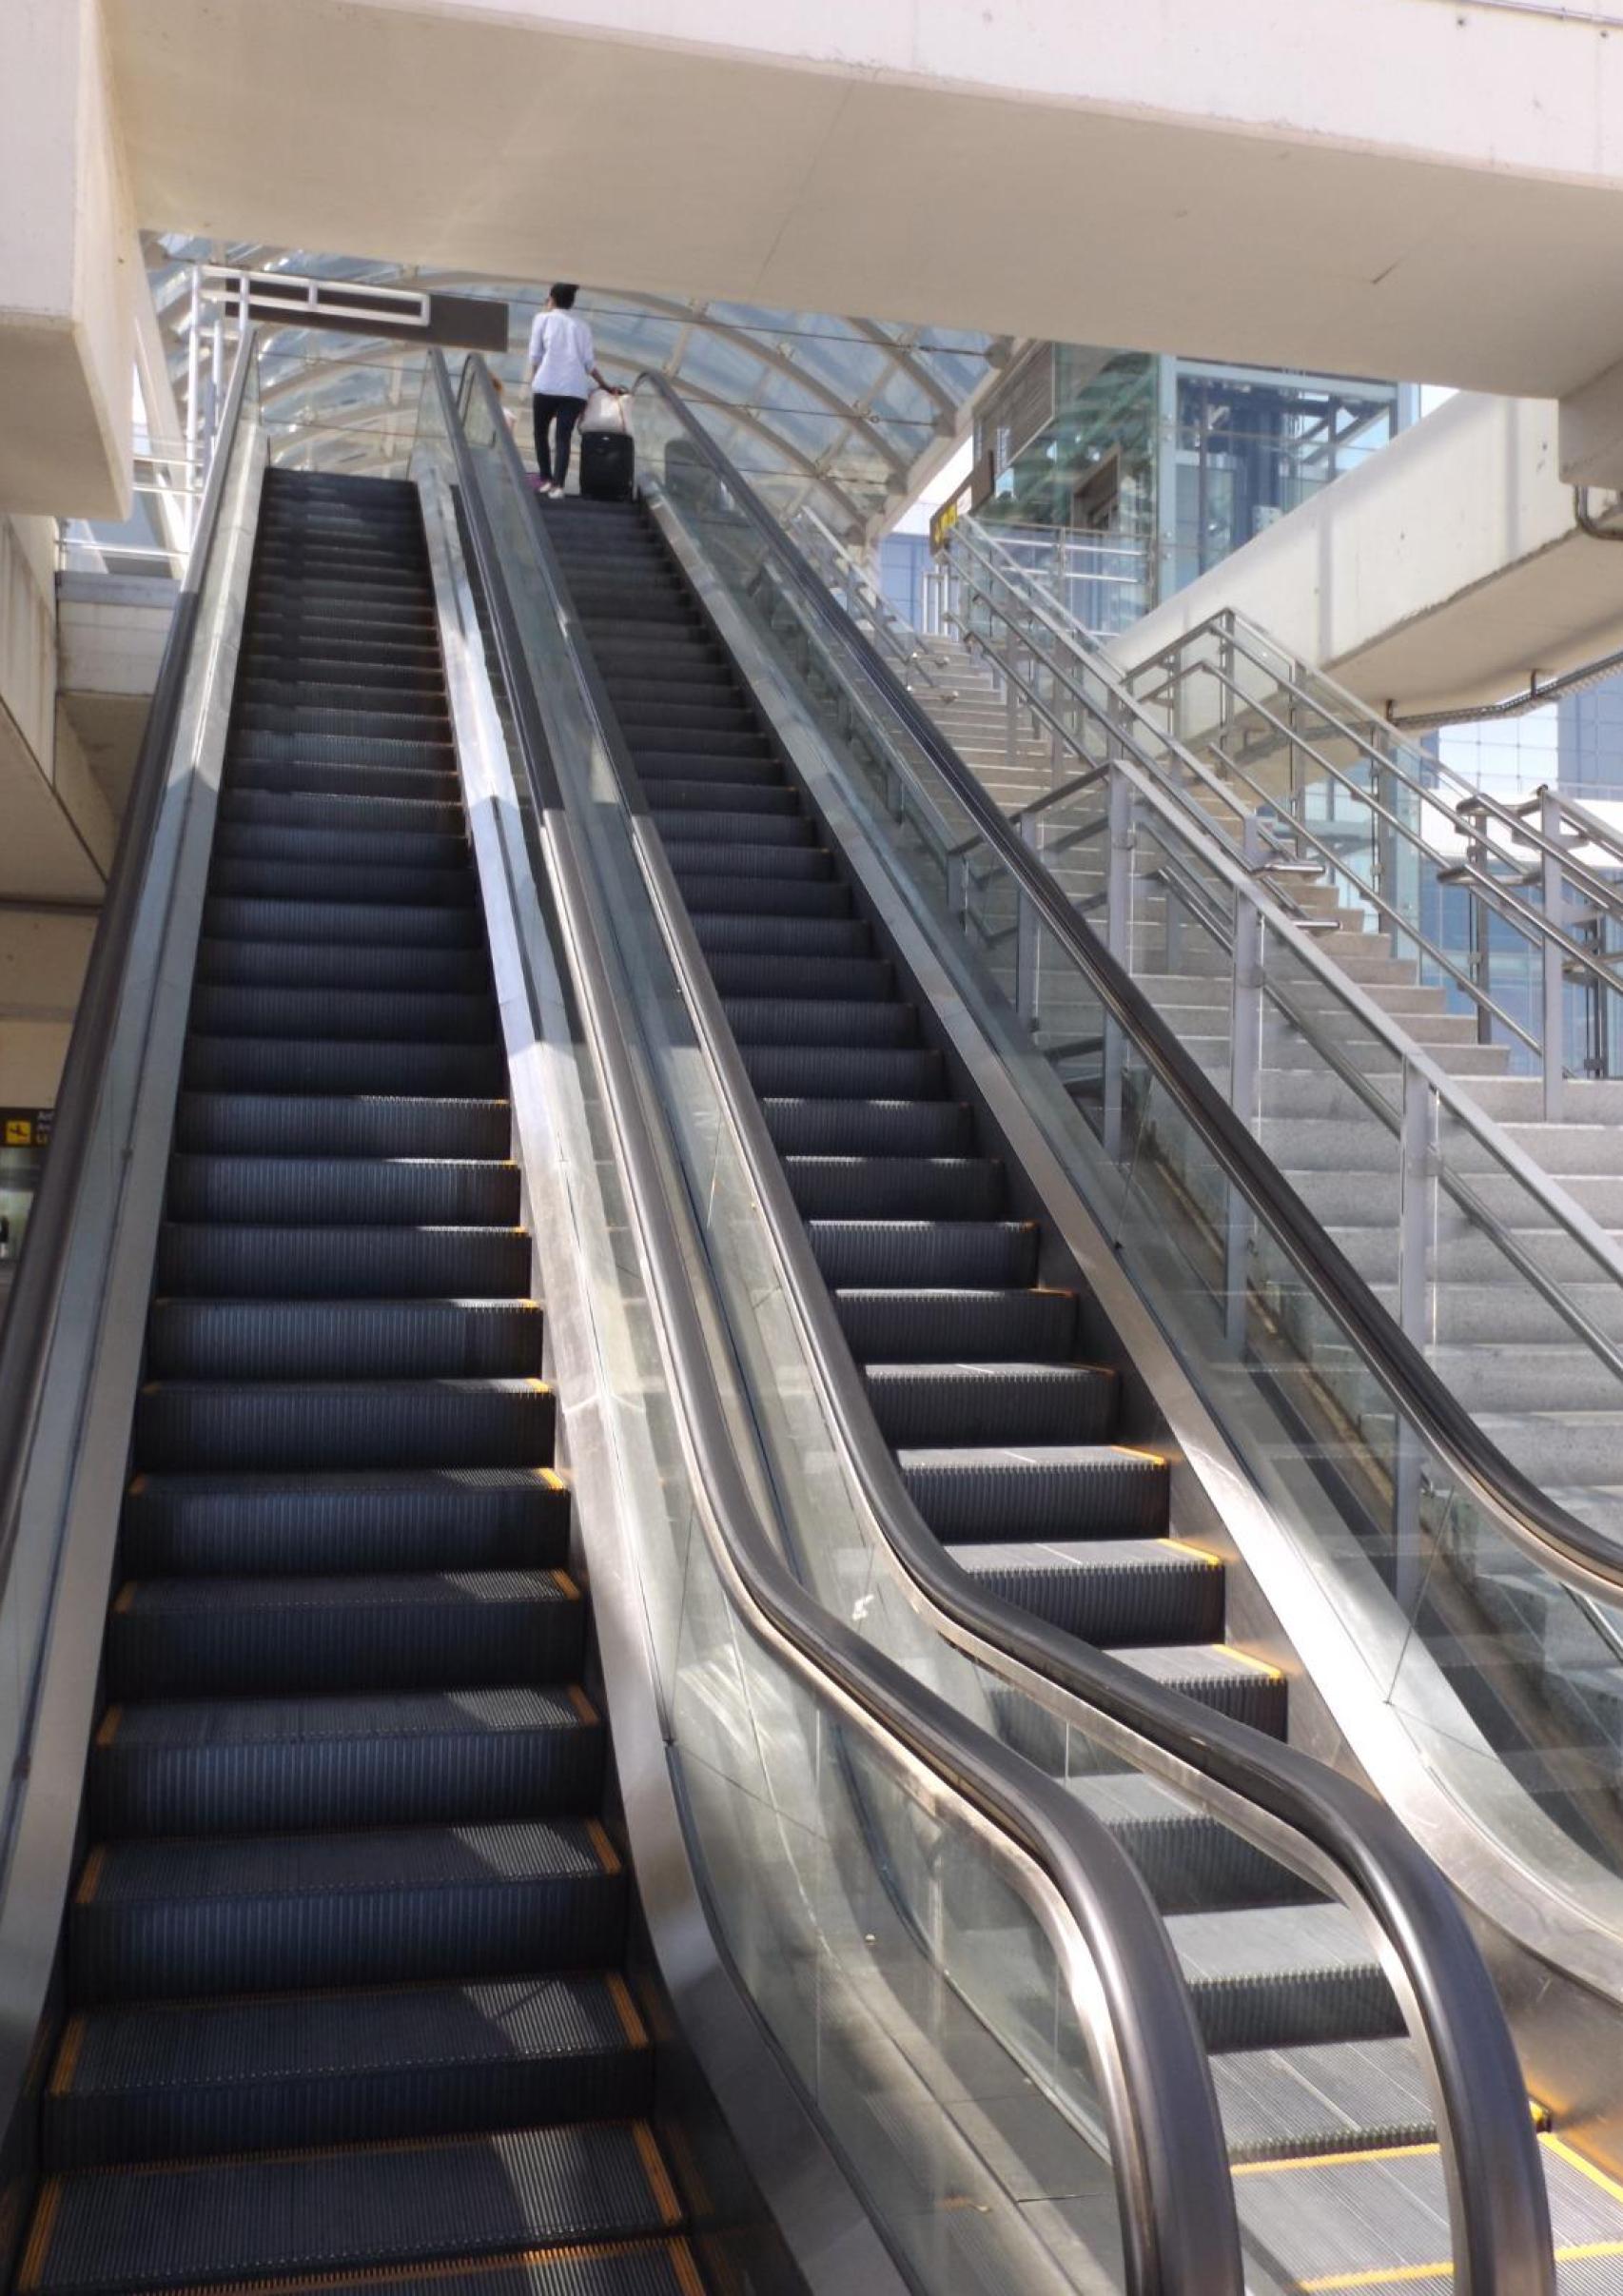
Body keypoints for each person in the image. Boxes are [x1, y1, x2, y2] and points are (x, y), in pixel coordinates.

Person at [526, 285, 619, 499]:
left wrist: (534, 378)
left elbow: (535, 356)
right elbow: (588, 364)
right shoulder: (582, 326)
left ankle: (546, 479)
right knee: (563, 437)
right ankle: (558, 486)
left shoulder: (542, 319)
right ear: (572, 302)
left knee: (540, 433)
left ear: (551, 299)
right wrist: (604, 385)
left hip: (546, 386)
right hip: (574, 390)